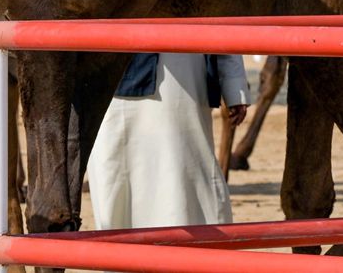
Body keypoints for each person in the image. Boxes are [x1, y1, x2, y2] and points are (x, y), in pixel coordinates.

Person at [87, 53, 250, 228]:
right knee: (115, 183)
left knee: (183, 179)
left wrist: (234, 83)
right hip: (107, 72)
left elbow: (221, 26)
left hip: (183, 66)